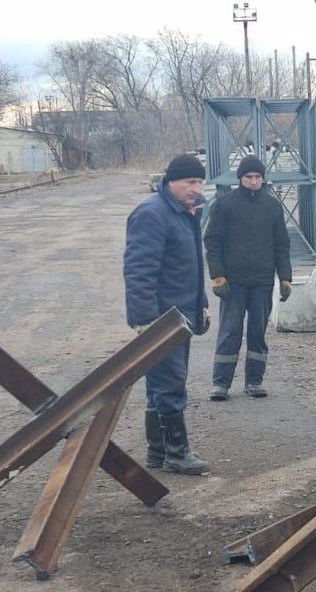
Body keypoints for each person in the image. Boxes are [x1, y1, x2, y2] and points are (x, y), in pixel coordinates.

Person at [124, 153, 211, 475]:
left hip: (183, 313)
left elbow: (191, 267)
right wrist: (145, 319)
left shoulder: (186, 213)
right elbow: (138, 270)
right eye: (190, 182)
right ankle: (176, 452)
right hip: (162, 317)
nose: (196, 188)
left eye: (200, 182)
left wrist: (201, 303)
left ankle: (158, 452)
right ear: (171, 181)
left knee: (161, 383)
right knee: (170, 383)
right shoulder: (152, 215)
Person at [204, 155, 291, 400]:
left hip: (262, 282)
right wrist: (218, 275)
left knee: (257, 332)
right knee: (230, 331)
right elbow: (213, 241)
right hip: (234, 282)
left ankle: (254, 381)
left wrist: (285, 277)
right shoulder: (224, 205)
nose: (253, 181)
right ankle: (220, 383)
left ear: (263, 179)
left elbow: (282, 244)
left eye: (257, 177)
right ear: (240, 179)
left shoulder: (273, 206)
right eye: (248, 177)